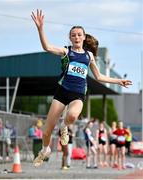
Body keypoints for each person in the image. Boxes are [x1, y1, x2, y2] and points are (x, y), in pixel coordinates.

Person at [31, 9, 132, 167]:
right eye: (73, 35)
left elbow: (99, 77)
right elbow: (47, 47)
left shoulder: (89, 56)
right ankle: (45, 150)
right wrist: (40, 28)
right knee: (46, 131)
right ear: (70, 38)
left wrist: (118, 81)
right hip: (62, 92)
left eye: (79, 34)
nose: (76, 37)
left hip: (78, 94)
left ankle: (64, 127)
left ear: (84, 38)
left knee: (71, 116)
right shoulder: (66, 51)